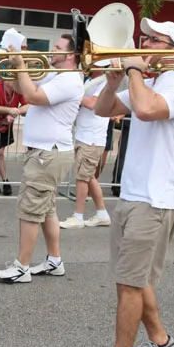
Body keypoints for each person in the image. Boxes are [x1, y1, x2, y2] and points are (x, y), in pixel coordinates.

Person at [73, 18, 174, 347]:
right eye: (144, 38)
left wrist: (132, 69)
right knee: (134, 279)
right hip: (133, 195)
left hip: (156, 199)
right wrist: (113, 80)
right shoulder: (151, 82)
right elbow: (104, 110)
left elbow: (145, 110)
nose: (144, 43)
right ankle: (161, 343)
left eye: (154, 40)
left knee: (129, 284)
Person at [0, 35, 83, 283]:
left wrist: (21, 63)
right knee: (47, 209)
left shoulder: (69, 80)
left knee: (30, 209)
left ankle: (21, 267)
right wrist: (16, 66)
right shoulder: (54, 74)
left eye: (57, 47)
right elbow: (20, 88)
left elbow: (33, 97)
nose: (51, 50)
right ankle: (54, 261)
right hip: (46, 151)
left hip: (48, 152)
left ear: (70, 55)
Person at [60, 61, 113, 229]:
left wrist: (73, 93)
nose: (88, 63)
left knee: (82, 177)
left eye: (93, 61)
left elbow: (92, 104)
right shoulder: (89, 81)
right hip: (84, 135)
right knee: (89, 177)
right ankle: (102, 214)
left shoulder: (105, 83)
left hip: (92, 137)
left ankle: (78, 216)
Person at [0, 78, 27, 195]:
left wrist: (16, 112)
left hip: (6, 125)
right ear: (8, 80)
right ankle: (5, 181)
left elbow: (28, 105)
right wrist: (9, 110)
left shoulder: (18, 90)